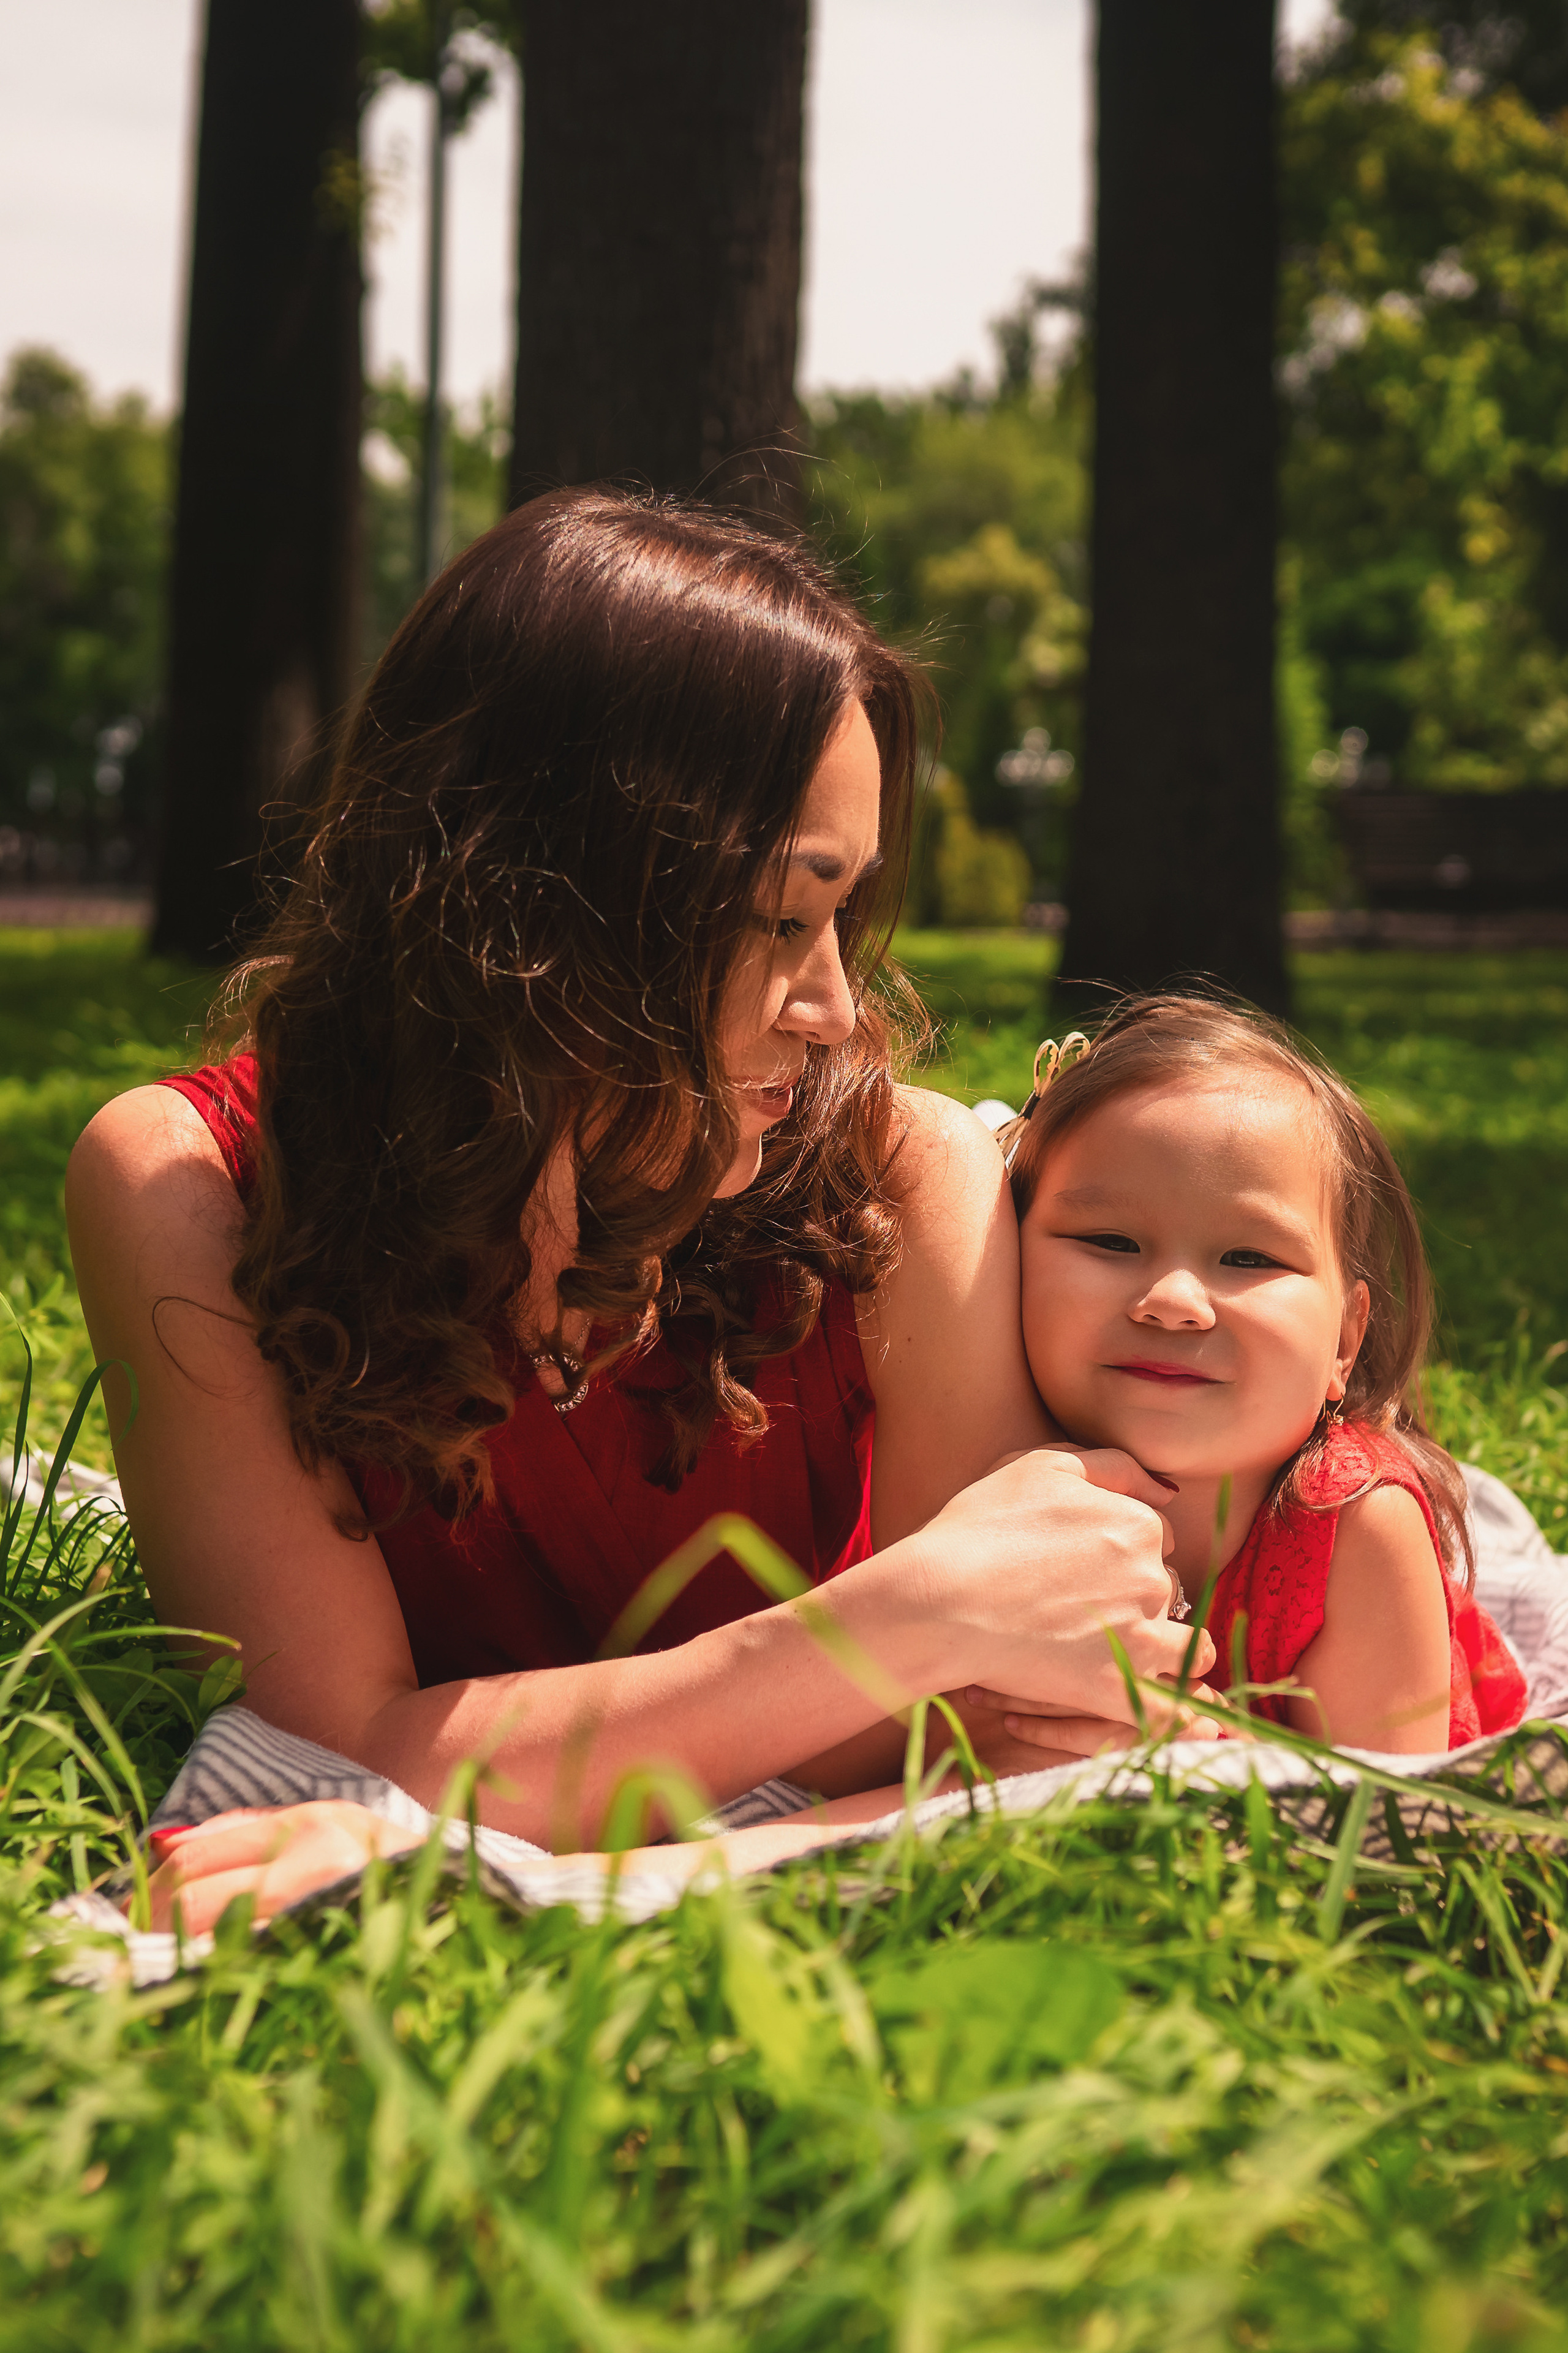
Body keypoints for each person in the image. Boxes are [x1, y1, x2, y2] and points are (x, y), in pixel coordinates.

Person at [66, 489, 1210, 1928]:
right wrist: (906, 1620)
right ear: (549, 903)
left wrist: (545, 1825)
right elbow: (332, 1757)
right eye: (779, 917)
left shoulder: (894, 1180)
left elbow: (1034, 1737)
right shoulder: (195, 1182)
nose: (832, 1005)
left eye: (842, 916)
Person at [985, 995, 1525, 1758]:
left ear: (1344, 1341)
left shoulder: (1355, 1525)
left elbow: (1388, 1806)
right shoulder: (979, 1458)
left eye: (1247, 1258)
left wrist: (1188, 1737)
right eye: (1110, 1240)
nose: (1173, 1302)